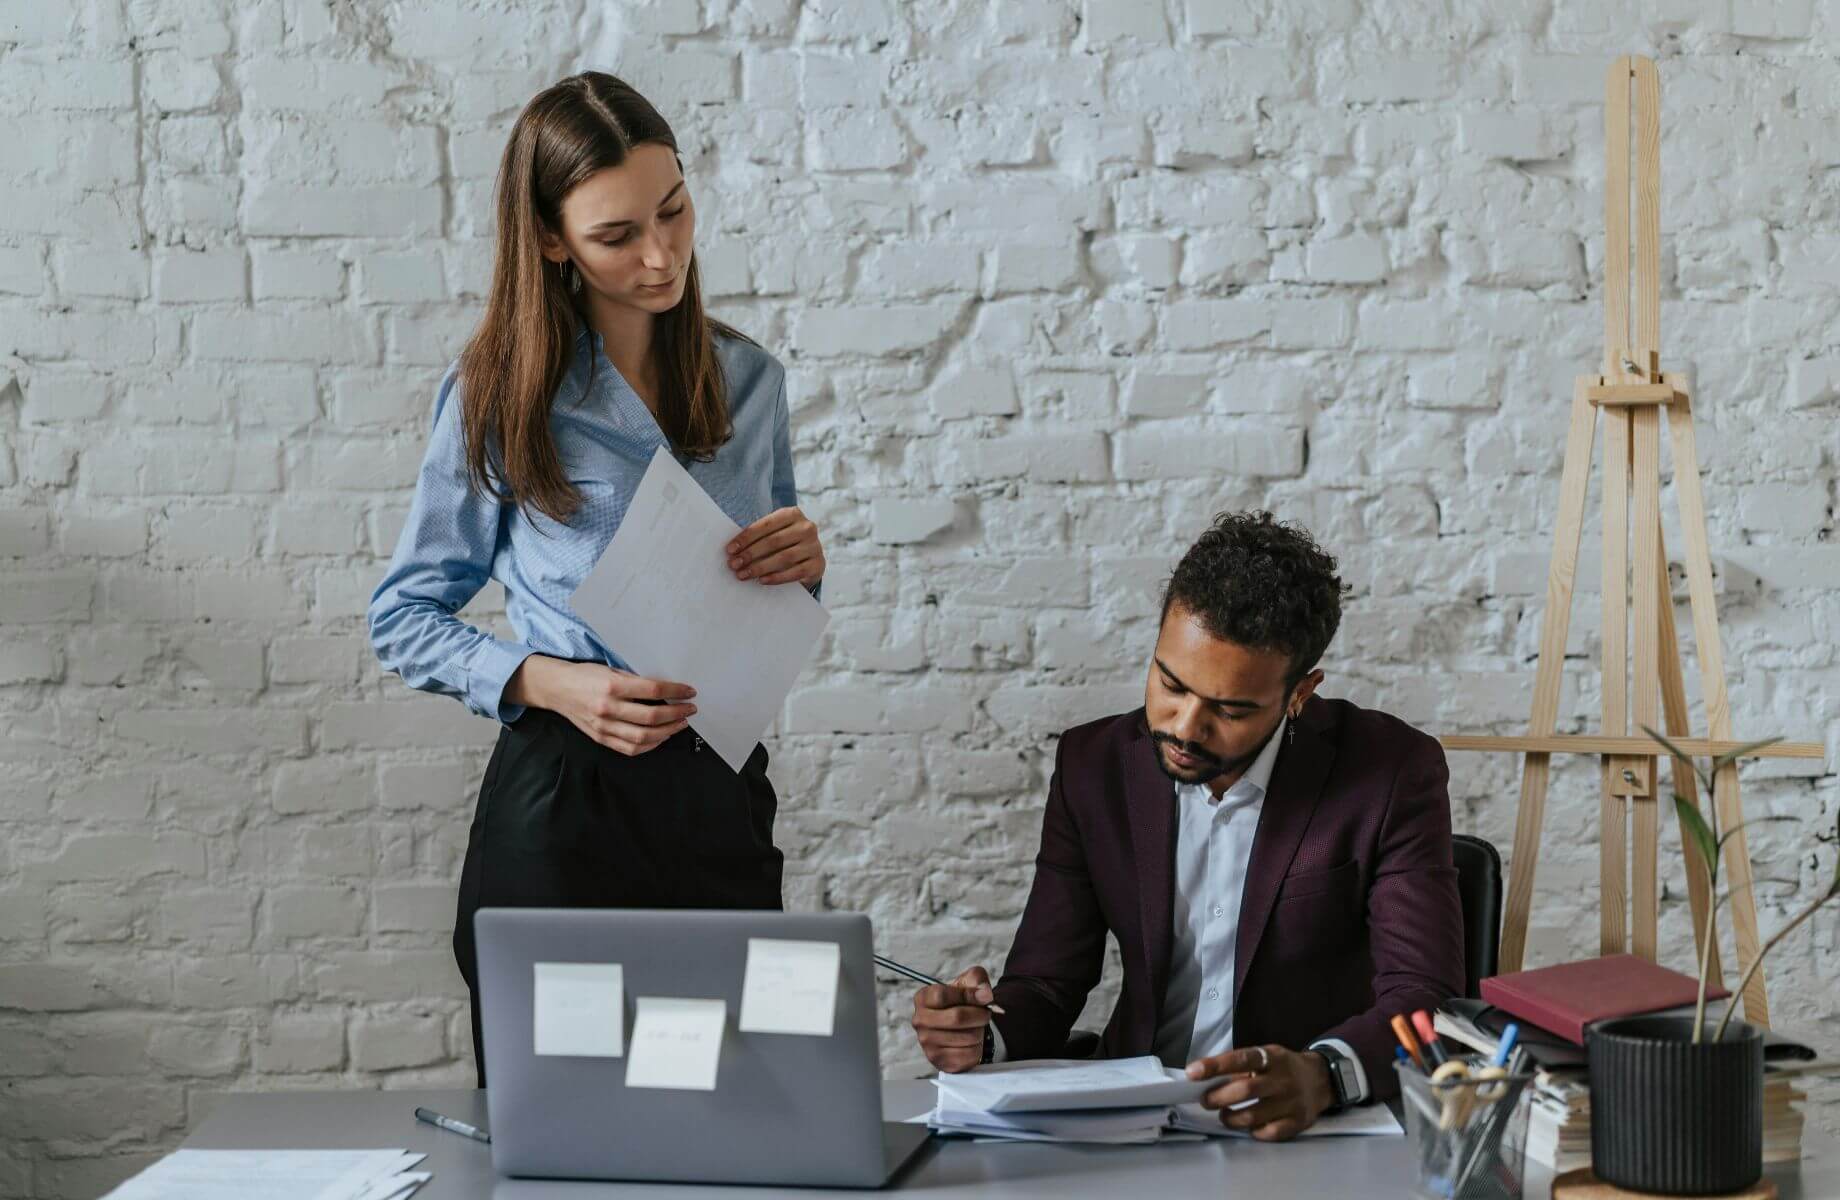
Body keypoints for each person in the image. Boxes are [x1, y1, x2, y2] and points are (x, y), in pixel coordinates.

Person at [368, 72, 825, 1085]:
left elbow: (770, 603)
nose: (662, 255)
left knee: (734, 1113)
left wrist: (803, 568)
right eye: (617, 235)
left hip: (717, 793)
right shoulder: (497, 393)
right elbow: (403, 615)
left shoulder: (750, 381)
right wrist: (551, 682)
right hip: (562, 802)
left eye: (675, 211)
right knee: (559, 1119)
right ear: (550, 240)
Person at [911, 512, 1463, 1139]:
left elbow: (1427, 995)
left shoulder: (1391, 772)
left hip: (1300, 1130)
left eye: (1230, 709)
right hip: (1130, 1125)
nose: (1184, 727)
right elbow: (1047, 983)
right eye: (1170, 684)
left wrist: (1326, 1075)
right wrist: (981, 1036)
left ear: (1299, 694)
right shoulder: (1093, 768)